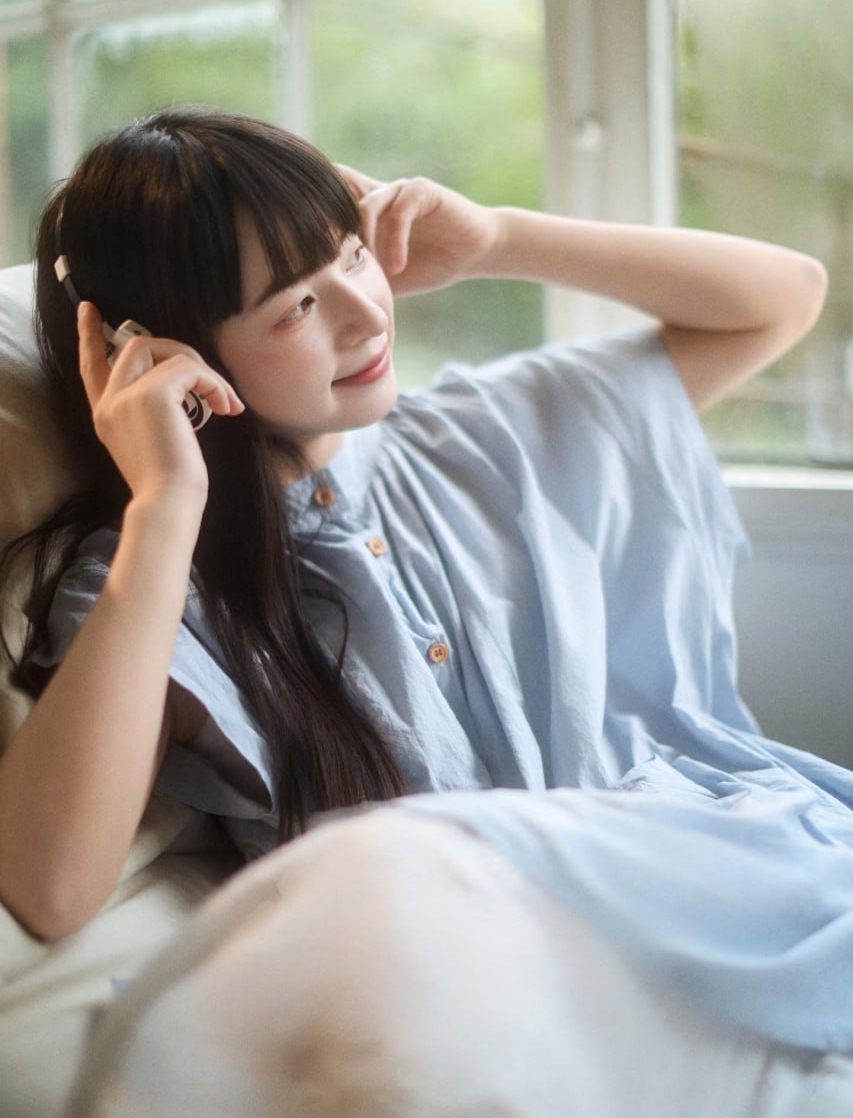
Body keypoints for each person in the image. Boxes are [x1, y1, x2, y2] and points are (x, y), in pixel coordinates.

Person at [1, 106, 852, 1061]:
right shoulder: (159, 581)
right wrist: (163, 506)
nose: (367, 313)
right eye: (296, 306)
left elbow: (785, 297)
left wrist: (497, 236)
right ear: (168, 355)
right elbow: (52, 883)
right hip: (528, 1005)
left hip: (755, 889)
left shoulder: (491, 433)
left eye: (350, 256)